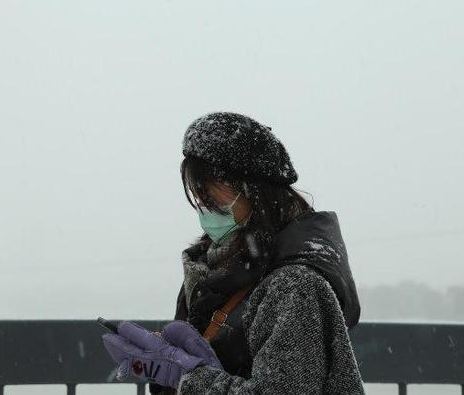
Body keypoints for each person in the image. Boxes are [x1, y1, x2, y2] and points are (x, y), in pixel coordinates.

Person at [101, 112, 366, 394]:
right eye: (199, 200)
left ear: (255, 192)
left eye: (212, 199)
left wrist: (186, 377)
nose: (204, 211)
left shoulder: (294, 286)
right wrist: (171, 368)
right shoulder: (212, 270)